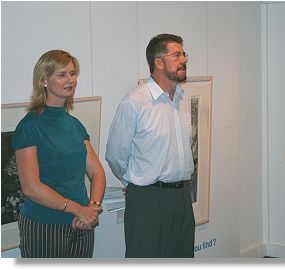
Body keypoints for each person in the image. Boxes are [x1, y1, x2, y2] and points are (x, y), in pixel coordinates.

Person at [106, 33, 195, 258]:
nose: (184, 59)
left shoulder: (182, 98)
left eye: (184, 54)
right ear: (158, 62)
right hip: (148, 200)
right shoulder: (135, 102)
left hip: (182, 196)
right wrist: (136, 183)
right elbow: (115, 155)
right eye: (176, 55)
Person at [12, 50, 106, 258]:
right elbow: (31, 187)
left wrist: (92, 207)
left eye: (72, 74)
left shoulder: (75, 125)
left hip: (82, 225)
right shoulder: (29, 127)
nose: (70, 80)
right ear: (44, 80)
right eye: (61, 74)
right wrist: (78, 210)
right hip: (44, 225)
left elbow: (97, 173)